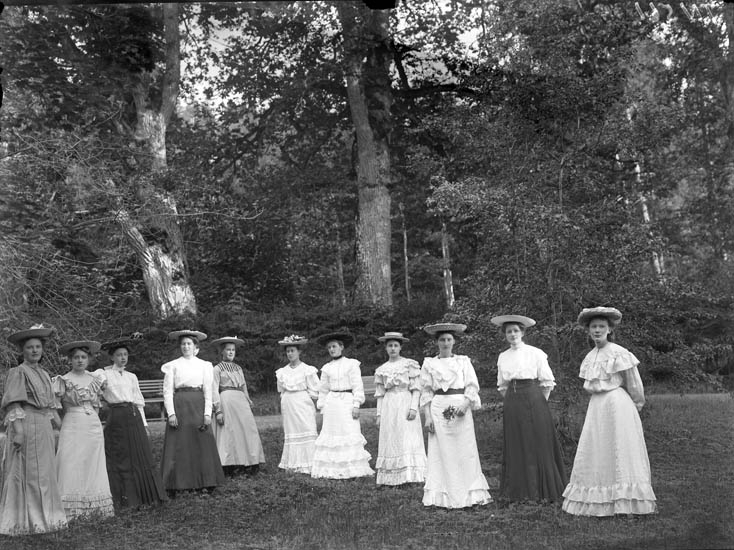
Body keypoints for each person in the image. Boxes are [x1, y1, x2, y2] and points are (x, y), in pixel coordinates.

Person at [562, 307, 657, 516]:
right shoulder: (590, 357)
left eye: (601, 327)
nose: (597, 330)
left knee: (620, 448)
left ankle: (627, 501)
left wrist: (636, 405)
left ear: (609, 330)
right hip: (597, 406)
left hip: (617, 405)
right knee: (597, 447)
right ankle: (598, 498)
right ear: (588, 330)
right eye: (593, 327)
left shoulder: (619, 352)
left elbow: (633, 382)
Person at [0, 325, 68, 535]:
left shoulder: (45, 374)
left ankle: (49, 517)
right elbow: (13, 403)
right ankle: (29, 520)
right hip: (26, 424)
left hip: (43, 426)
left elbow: (50, 406)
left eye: (38, 347)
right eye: (30, 347)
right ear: (23, 350)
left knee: (45, 472)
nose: (35, 350)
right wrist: (19, 431)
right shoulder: (18, 372)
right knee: (29, 472)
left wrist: (62, 428)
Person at [492, 314, 567, 502]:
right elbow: (502, 385)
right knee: (516, 441)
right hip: (512, 401)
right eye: (509, 331)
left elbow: (547, 382)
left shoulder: (535, 353)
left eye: (516, 330)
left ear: (523, 332)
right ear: (505, 335)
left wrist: (539, 402)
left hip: (534, 398)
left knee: (537, 441)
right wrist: (512, 400)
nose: (512, 334)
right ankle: (519, 491)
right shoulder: (503, 356)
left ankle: (542, 490)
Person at [420, 322, 491, 508]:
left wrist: (466, 404)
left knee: (465, 448)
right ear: (437, 342)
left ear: (454, 342)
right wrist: (428, 417)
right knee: (441, 450)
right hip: (438, 408)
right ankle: (442, 495)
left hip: (460, 407)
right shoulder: (429, 364)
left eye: (449, 339)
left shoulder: (463, 361)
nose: (445, 343)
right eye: (442, 340)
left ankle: (470, 494)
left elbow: (472, 385)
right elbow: (426, 391)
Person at [94, 338, 167, 508]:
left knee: (139, 454)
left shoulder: (131, 377)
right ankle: (124, 498)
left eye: (125, 355)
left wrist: (145, 424)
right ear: (112, 357)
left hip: (133, 416)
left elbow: (138, 401)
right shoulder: (103, 374)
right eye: (119, 355)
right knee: (121, 455)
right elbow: (95, 387)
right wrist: (101, 383)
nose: (122, 358)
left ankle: (146, 496)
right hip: (116, 417)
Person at [54, 340, 114, 520]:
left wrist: (94, 421)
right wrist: (62, 425)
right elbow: (53, 408)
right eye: (76, 357)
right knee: (71, 461)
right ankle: (70, 509)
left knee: (92, 462)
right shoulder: (62, 380)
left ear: (88, 359)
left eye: (83, 357)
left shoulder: (95, 379)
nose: (80, 360)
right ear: (70, 360)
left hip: (92, 425)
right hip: (72, 423)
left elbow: (97, 406)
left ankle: (95, 507)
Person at [160, 330, 225, 495]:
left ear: (195, 347)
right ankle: (177, 484)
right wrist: (171, 413)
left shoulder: (204, 365)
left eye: (189, 343)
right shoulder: (173, 366)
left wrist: (207, 413)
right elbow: (167, 392)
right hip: (180, 405)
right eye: (183, 344)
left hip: (198, 404)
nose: (186, 347)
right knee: (180, 444)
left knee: (201, 442)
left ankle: (206, 482)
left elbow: (208, 390)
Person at [311, 330, 373, 479]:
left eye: (334, 346)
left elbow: (357, 385)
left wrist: (356, 404)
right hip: (332, 403)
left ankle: (353, 469)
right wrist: (322, 406)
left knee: (349, 430)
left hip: (347, 401)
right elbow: (323, 389)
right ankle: (332, 469)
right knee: (333, 433)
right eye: (329, 347)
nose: (332, 349)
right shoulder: (326, 368)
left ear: (341, 347)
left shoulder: (351, 364)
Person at [373, 331, 426, 485]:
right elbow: (380, 394)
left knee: (407, 436)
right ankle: (391, 476)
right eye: (390, 345)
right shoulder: (382, 369)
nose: (393, 348)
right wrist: (379, 415)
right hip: (389, 403)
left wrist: (413, 408)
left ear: (400, 347)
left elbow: (416, 388)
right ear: (385, 348)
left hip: (405, 400)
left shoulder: (409, 364)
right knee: (391, 436)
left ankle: (411, 474)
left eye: (396, 345)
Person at [210, 336, 265, 476]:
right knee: (230, 432)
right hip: (226, 400)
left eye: (233, 350)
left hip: (240, 400)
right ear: (222, 352)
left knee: (248, 429)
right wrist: (218, 410)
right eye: (228, 350)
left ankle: (251, 461)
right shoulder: (217, 369)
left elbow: (243, 386)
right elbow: (214, 389)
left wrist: (248, 399)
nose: (230, 352)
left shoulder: (238, 368)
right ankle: (230, 465)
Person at [275, 335, 319, 474]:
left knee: (307, 427)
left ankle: (310, 464)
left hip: (303, 403)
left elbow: (315, 390)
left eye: (292, 350)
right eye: (288, 351)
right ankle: (292, 464)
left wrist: (307, 400)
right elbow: (281, 390)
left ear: (299, 352)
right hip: (288, 404)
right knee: (291, 432)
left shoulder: (307, 369)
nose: (290, 354)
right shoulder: (282, 372)